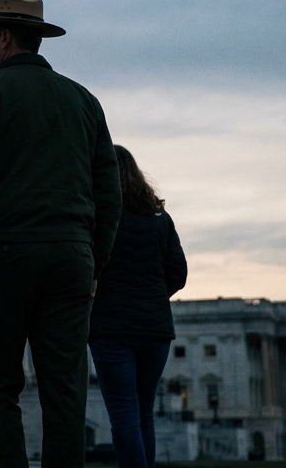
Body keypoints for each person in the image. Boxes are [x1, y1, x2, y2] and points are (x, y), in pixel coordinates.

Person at [0, 0, 122, 467]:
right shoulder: (84, 100)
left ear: (4, 37)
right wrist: (95, 261)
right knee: (66, 389)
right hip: (71, 258)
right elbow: (109, 191)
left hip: (3, 256)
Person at [88, 145, 187, 468]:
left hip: (110, 327)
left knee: (123, 413)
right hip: (155, 327)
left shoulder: (98, 217)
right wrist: (154, 296)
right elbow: (179, 274)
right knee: (144, 411)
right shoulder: (160, 219)